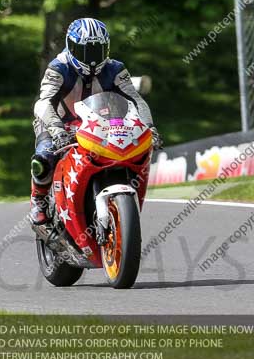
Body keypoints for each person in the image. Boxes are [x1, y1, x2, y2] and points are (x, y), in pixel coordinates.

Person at [29, 18, 161, 224]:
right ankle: (39, 200)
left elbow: (136, 100)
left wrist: (150, 127)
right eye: (85, 51)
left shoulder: (115, 69)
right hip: (57, 122)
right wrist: (57, 130)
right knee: (44, 156)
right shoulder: (58, 68)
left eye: (97, 51)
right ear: (71, 47)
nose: (91, 59)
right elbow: (43, 103)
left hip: (101, 123)